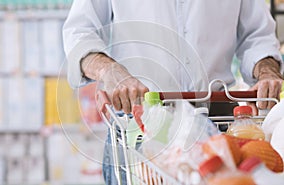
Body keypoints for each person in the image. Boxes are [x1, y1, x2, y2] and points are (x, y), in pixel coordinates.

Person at [62, 0, 284, 184]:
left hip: (218, 126)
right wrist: (109, 70)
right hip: (139, 130)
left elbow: (257, 36)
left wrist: (267, 71)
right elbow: (79, 32)